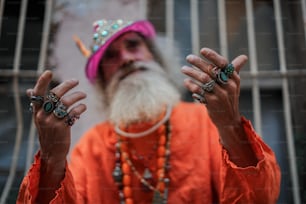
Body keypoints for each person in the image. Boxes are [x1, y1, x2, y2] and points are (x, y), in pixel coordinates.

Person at [17, 19, 281, 203]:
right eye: (111, 57)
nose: (127, 59)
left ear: (155, 58)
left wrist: (230, 125)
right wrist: (52, 158)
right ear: (103, 82)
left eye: (133, 45)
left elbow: (260, 197)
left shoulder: (204, 122)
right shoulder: (93, 146)